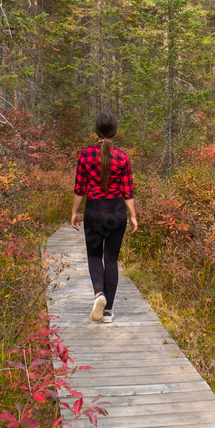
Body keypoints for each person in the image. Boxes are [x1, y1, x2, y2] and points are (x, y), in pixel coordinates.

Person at [71, 112, 137, 323]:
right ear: (115, 132)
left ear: (97, 130)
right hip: (116, 212)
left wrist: (74, 212)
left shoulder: (85, 155)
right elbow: (128, 191)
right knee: (111, 260)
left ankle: (99, 294)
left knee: (93, 256)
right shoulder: (123, 157)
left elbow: (80, 189)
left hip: (94, 212)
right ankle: (107, 312)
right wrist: (133, 216)